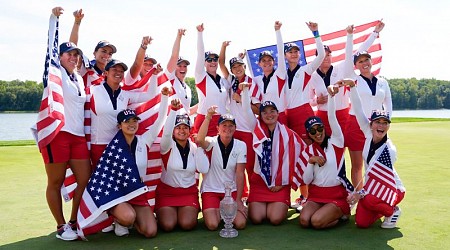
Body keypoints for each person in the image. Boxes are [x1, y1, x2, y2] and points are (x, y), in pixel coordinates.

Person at [78, 87, 170, 238]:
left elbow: (160, 120)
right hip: (118, 194)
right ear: (119, 126)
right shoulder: (112, 147)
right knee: (127, 217)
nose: (131, 124)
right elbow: (102, 176)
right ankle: (118, 218)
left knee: (151, 231)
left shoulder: (144, 141)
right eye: (127, 122)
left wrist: (165, 97)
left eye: (134, 121)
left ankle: (132, 219)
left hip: (137, 191)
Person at [38, 7, 91, 241]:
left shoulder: (78, 77)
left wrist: (78, 23)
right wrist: (55, 19)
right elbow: (55, 44)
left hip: (77, 136)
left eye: (76, 55)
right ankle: (61, 226)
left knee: (84, 179)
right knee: (56, 181)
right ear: (59, 58)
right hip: (57, 134)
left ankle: (73, 221)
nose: (73, 57)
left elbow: (73, 48)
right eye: (68, 54)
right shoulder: (55, 72)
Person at [344, 79, 405, 229]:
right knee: (362, 222)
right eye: (378, 122)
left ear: (388, 126)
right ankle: (379, 208)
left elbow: (378, 178)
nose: (381, 126)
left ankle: (392, 211)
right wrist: (352, 87)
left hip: (391, 188)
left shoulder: (389, 150)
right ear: (371, 125)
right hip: (373, 188)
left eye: (385, 123)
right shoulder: (368, 133)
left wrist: (359, 194)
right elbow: (358, 110)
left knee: (370, 201)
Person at [240, 83, 304, 225]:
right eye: (265, 112)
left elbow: (297, 157)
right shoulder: (256, 129)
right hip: (260, 181)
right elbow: (246, 111)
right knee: (256, 218)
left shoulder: (289, 134)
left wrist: (281, 183)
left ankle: (278, 202)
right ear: (260, 115)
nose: (269, 115)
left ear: (277, 113)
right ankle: (262, 204)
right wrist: (244, 91)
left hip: (280, 182)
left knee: (275, 219)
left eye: (272, 111)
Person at [89, 59, 163, 170]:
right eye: (115, 69)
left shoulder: (125, 95)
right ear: (106, 72)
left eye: (121, 71)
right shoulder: (92, 90)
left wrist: (154, 76)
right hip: (98, 145)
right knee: (100, 184)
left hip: (119, 145)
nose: (118, 72)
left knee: (118, 184)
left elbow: (149, 95)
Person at [298, 84, 354, 229]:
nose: (317, 133)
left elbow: (332, 117)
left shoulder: (336, 141)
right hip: (316, 194)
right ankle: (325, 213)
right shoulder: (308, 151)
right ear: (308, 134)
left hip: (335, 194)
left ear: (324, 128)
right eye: (312, 131)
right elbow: (306, 180)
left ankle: (342, 215)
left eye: (320, 128)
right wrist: (311, 161)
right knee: (304, 221)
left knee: (316, 222)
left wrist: (331, 96)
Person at [344, 21, 390, 190]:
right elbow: (350, 55)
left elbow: (388, 104)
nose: (364, 63)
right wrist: (350, 36)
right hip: (356, 124)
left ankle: (373, 196)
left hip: (377, 125)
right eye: (360, 61)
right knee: (357, 165)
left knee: (375, 163)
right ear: (355, 65)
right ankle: (357, 197)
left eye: (366, 60)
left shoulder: (382, 82)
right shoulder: (353, 77)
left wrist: (386, 123)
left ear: (371, 62)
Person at [155, 99, 208, 231]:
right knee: (168, 226)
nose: (182, 130)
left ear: (189, 130)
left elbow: (203, 169)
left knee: (187, 224)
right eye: (178, 127)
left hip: (188, 192)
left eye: (185, 127)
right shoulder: (167, 146)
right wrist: (173, 110)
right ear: (173, 131)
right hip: (167, 192)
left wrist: (201, 147)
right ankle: (164, 215)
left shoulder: (194, 147)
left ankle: (184, 212)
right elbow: (166, 133)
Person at [218, 41, 262, 200]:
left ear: (244, 66)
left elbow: (259, 110)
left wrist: (242, 99)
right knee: (235, 166)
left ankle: (254, 197)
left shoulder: (252, 83)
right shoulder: (231, 81)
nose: (237, 69)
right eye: (234, 67)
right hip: (234, 131)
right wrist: (223, 47)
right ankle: (241, 195)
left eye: (239, 66)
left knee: (250, 166)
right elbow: (220, 63)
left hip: (249, 130)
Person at [196, 107, 247, 231]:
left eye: (231, 125)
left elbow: (240, 173)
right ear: (218, 128)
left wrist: (239, 200)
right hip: (211, 190)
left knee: (240, 224)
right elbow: (200, 140)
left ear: (235, 128)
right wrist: (208, 116)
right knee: (213, 224)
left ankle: (224, 210)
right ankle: (219, 210)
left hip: (231, 190)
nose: (227, 128)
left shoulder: (241, 145)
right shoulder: (211, 142)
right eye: (224, 125)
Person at [284, 21, 325, 141]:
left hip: (304, 113)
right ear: (285, 55)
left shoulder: (305, 70)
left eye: (296, 51)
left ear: (300, 54)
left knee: (310, 147)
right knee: (296, 150)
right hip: (289, 116)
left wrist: (316, 33)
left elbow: (321, 55)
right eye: (290, 52)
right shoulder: (282, 74)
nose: (293, 54)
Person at [193, 23, 230, 136]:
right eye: (209, 59)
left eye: (215, 59)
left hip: (222, 121)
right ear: (204, 63)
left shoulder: (224, 81)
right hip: (205, 119)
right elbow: (200, 53)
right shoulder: (201, 76)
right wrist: (200, 33)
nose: (213, 62)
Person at [253, 21, 287, 124]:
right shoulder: (256, 79)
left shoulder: (279, 74)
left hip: (280, 115)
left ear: (274, 62)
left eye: (269, 60)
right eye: (263, 60)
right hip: (264, 117)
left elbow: (281, 52)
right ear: (259, 64)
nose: (267, 63)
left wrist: (277, 31)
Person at [166, 29, 197, 115]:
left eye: (185, 66)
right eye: (179, 66)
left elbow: (187, 111)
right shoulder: (170, 79)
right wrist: (179, 37)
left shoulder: (187, 88)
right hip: (171, 123)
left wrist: (203, 102)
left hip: (183, 124)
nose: (182, 68)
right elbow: (174, 56)